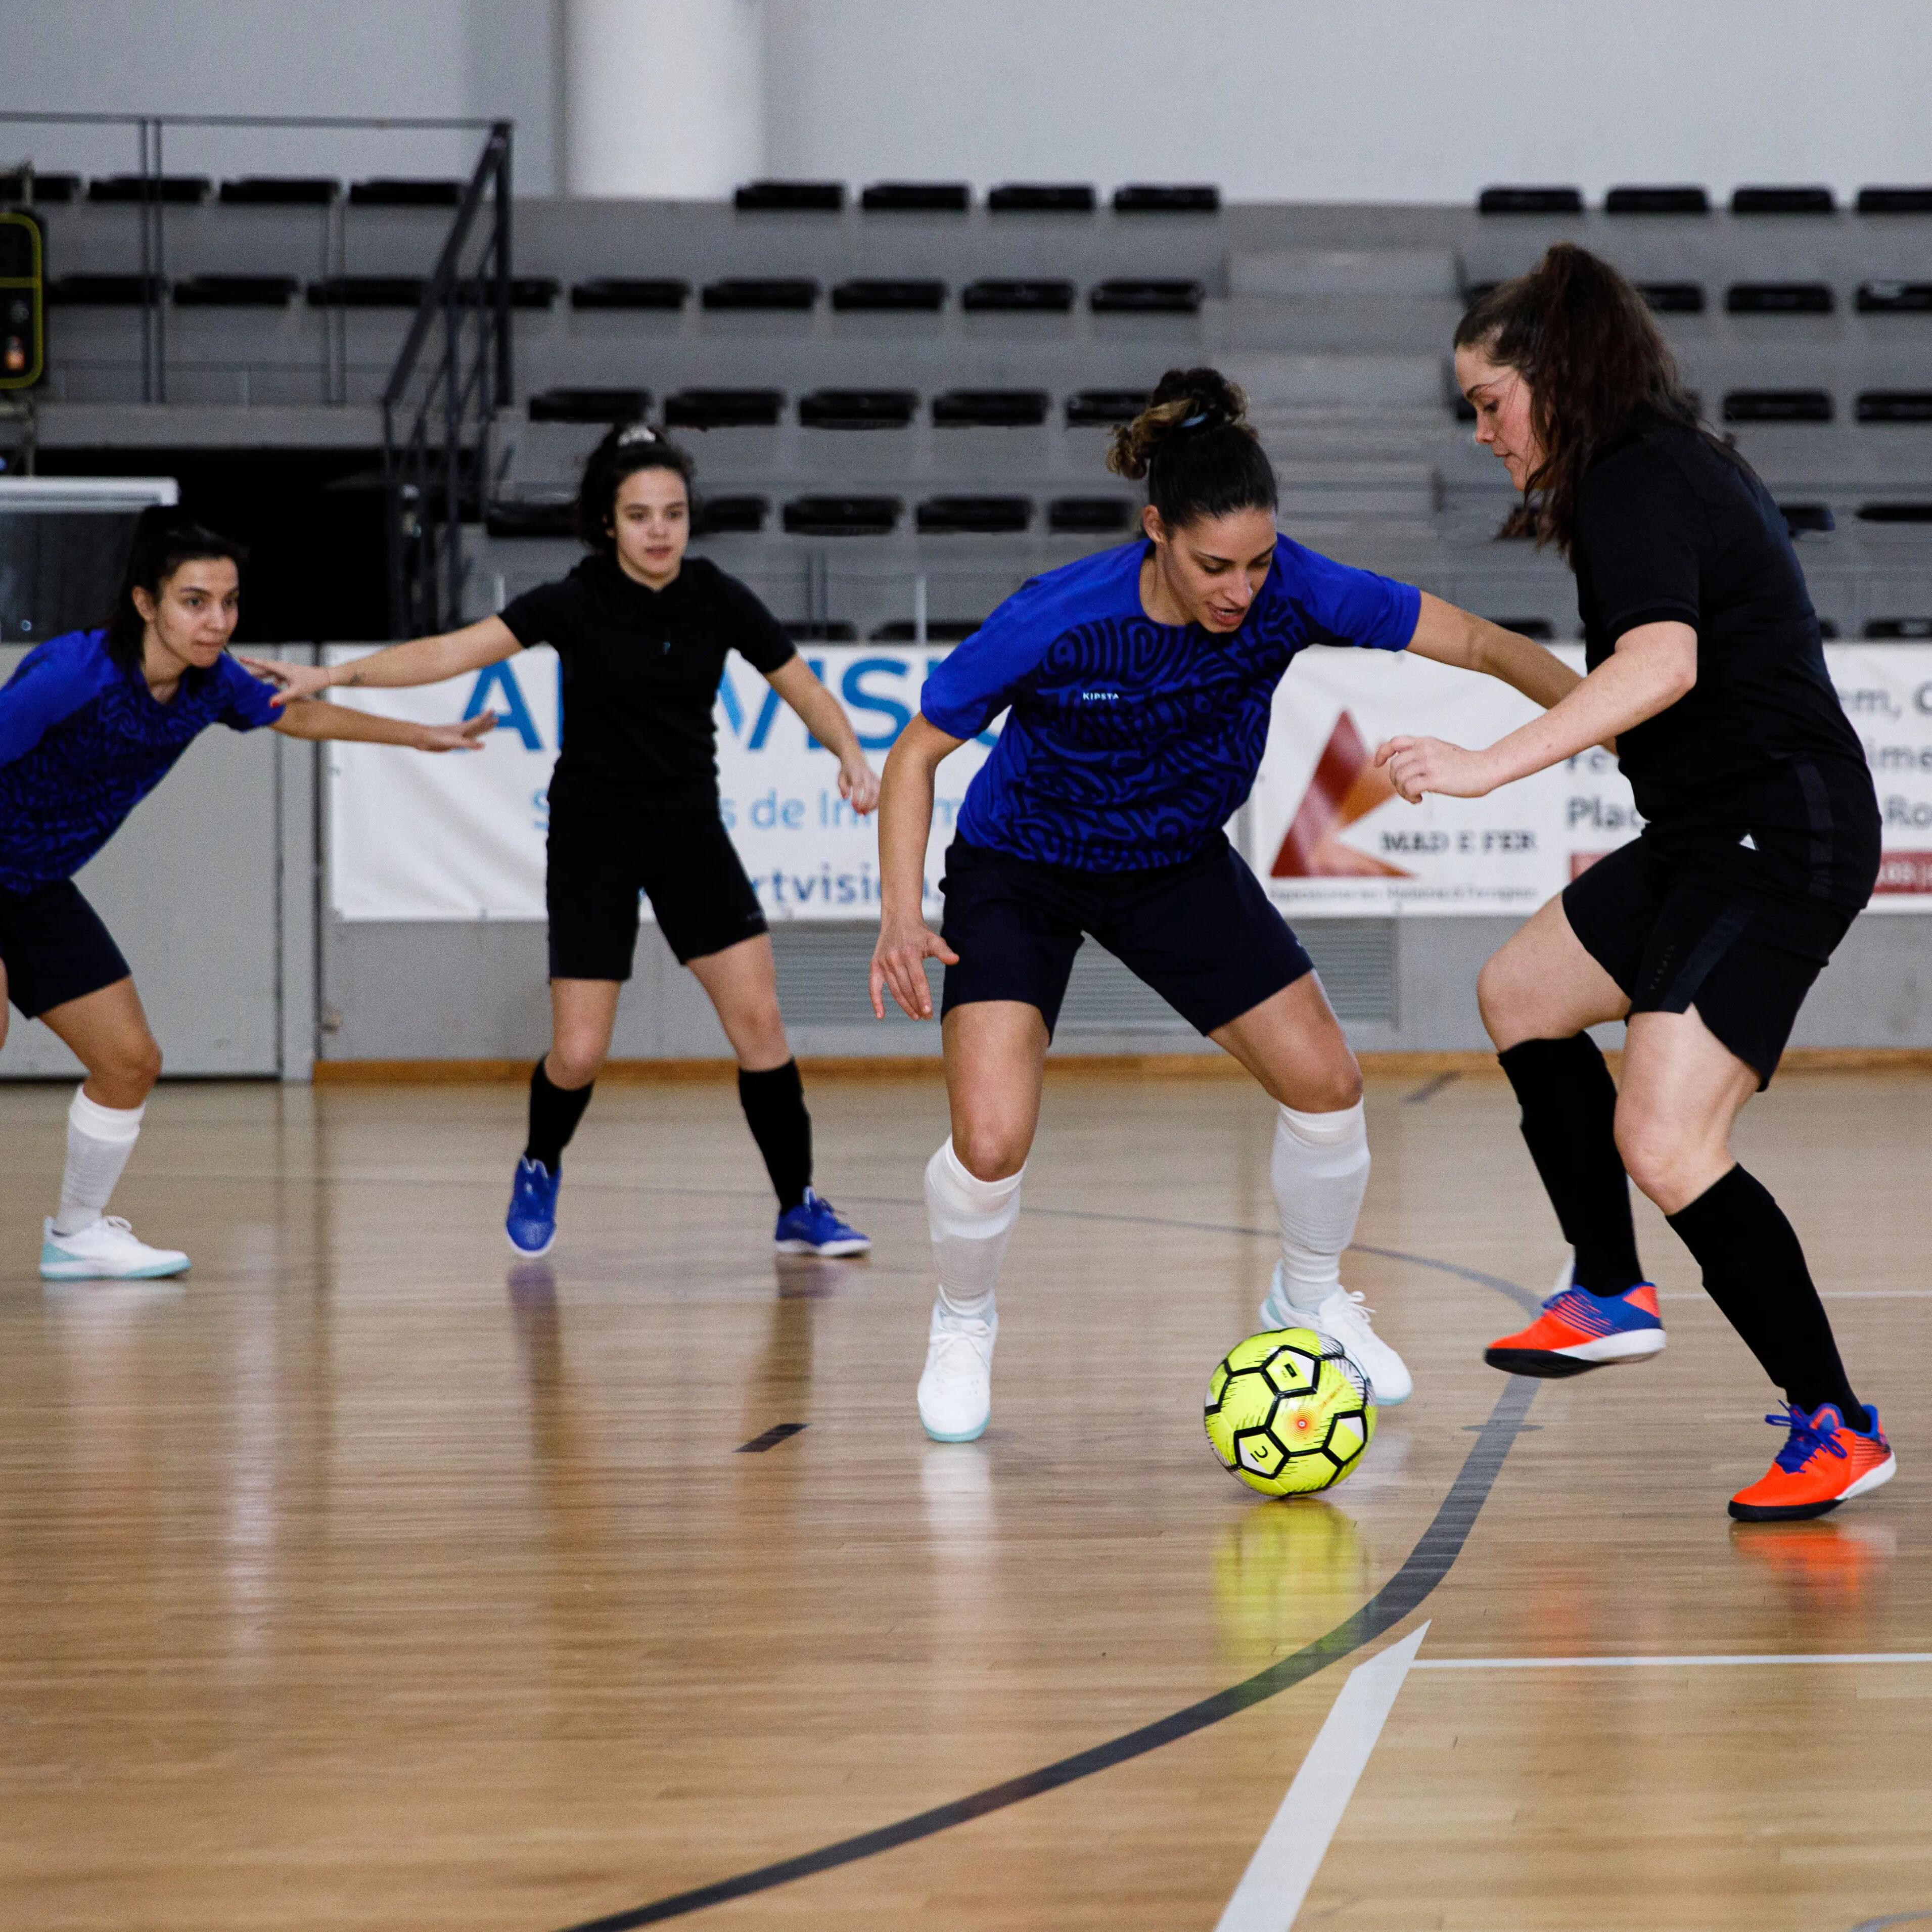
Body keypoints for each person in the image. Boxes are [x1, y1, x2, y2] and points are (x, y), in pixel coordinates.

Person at [867, 366, 1583, 1444]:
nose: (1240, 591)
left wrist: (1610, 717)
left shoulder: (1296, 589)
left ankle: (1307, 1296)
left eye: (1256, 562)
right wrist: (896, 908)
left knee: (1329, 1082)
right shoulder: (1060, 619)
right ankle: (962, 1319)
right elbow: (918, 752)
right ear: (1156, 532)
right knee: (992, 1138)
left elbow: (1483, 644)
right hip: (1024, 865)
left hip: (1172, 862)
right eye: (1214, 566)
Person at [1376, 243, 1893, 1523]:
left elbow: (1660, 664)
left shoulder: (1639, 479)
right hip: (1712, 830)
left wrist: (1488, 765)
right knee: (1520, 994)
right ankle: (1608, 1288)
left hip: (1780, 834)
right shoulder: (1649, 471)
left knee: (1665, 1139)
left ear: (1553, 378)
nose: (1485, 432)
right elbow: (1652, 689)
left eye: (1490, 402)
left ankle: (1836, 1426)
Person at [248, 423, 879, 1261]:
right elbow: (447, 650)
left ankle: (797, 1203)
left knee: (761, 1026)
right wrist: (331, 674)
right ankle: (540, 1162)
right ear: (608, 524)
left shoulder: (718, 596)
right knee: (579, 1052)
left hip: (690, 832)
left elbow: (800, 685)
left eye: (673, 513)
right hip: (593, 838)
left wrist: (848, 751)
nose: (659, 530)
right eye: (639, 514)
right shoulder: (573, 600)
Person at [1, 508, 491, 1279]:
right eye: (195, 601)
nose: (217, 620)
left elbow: (293, 710)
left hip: (31, 885)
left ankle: (76, 1233)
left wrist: (420, 737)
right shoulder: (72, 675)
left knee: (129, 1061)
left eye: (229, 602)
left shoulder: (210, 682)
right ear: (145, 603)